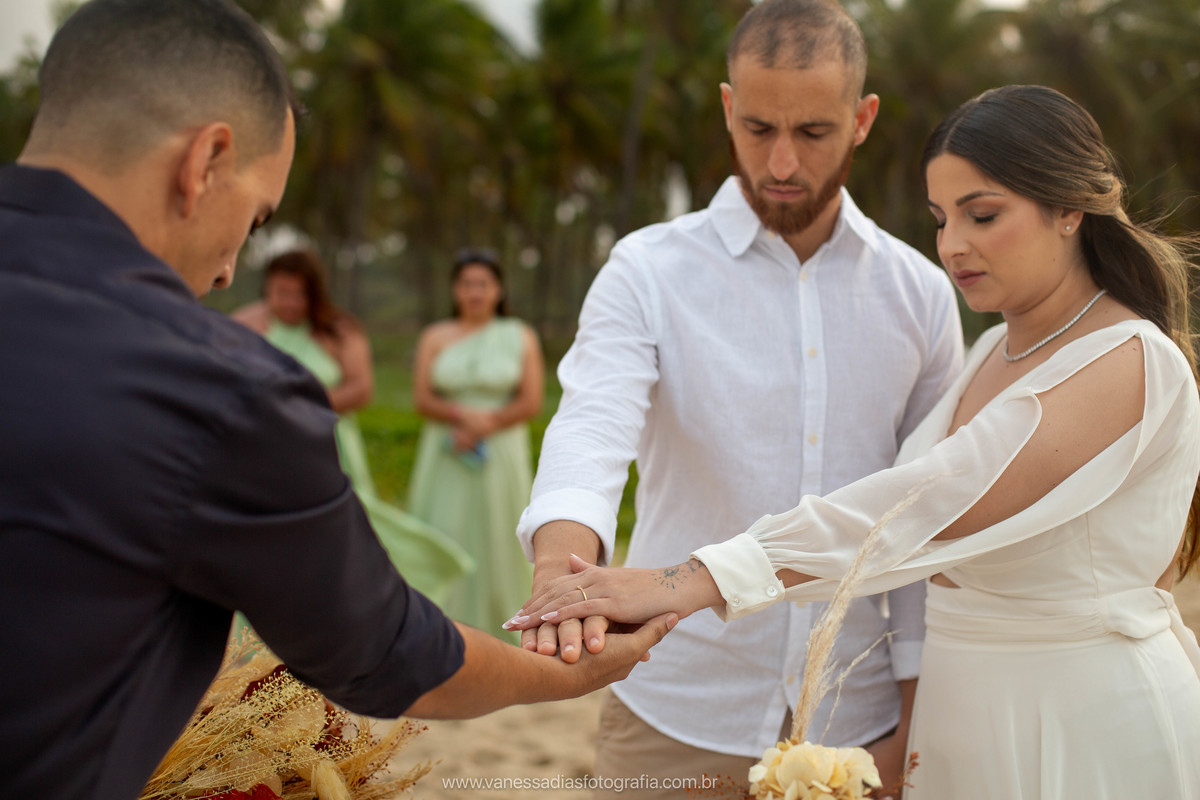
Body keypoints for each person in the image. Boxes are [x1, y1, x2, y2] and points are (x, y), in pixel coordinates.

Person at [0, 2, 673, 799]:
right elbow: (383, 651)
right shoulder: (213, 387)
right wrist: (558, 675)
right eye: (254, 220)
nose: (225, 273)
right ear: (205, 160)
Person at [511, 85, 1200, 799]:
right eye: (940, 219)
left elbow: (923, 504)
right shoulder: (990, 348)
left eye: (983, 214)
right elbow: (593, 418)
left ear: (1068, 209)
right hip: (957, 720)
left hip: (1075, 721)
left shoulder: (1128, 359)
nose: (952, 245)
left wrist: (682, 582)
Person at [513, 0, 963, 795]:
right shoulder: (645, 270)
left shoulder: (922, 294)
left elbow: (926, 517)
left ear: (862, 119)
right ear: (728, 108)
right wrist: (564, 572)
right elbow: (592, 424)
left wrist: (914, 720)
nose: (781, 163)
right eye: (758, 129)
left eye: (813, 133)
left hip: (856, 720)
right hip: (674, 708)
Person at [233, 249, 474, 605]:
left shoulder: (338, 329)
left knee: (342, 527)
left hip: (326, 443)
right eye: (279, 292)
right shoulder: (245, 324)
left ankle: (388, 591)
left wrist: (297, 405)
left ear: (313, 292)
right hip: (265, 448)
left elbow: (361, 388)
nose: (287, 302)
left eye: (297, 293)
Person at [408, 248, 543, 642]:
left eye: (483, 284)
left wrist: (488, 422)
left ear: (498, 290)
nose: (475, 292)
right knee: (444, 527)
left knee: (500, 530)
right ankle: (438, 625)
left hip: (500, 449)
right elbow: (422, 397)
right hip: (446, 448)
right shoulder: (435, 336)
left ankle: (506, 621)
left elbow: (530, 400)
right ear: (455, 290)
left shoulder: (519, 335)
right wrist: (459, 417)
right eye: (467, 284)